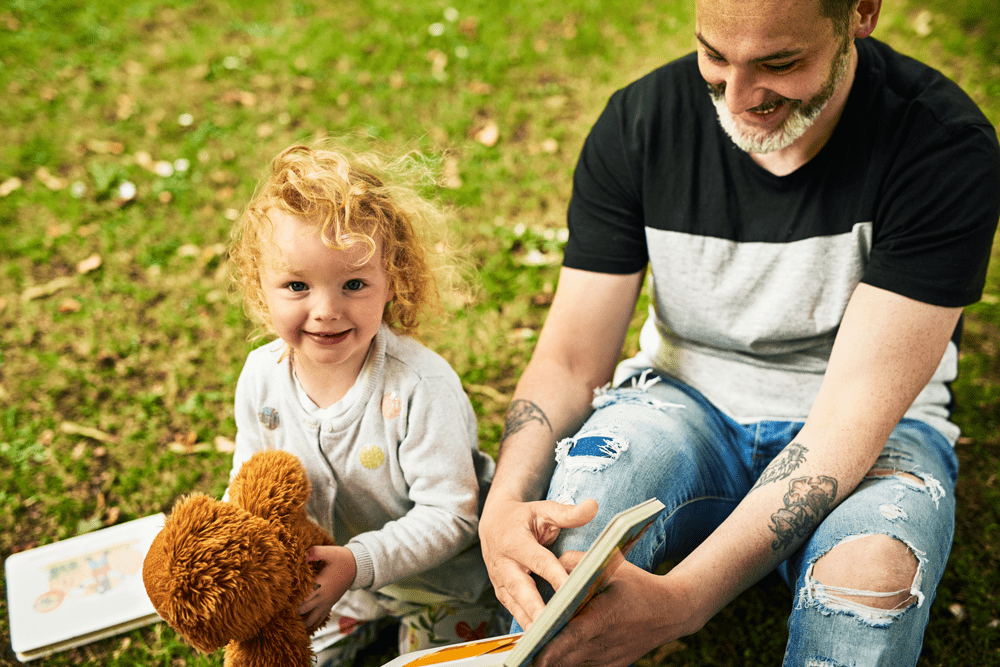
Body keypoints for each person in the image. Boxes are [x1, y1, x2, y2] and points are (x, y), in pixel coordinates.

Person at [478, 0, 1000, 665]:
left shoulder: (941, 144)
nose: (740, 96)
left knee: (870, 581)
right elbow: (572, 358)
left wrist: (685, 600)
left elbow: (850, 421)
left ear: (861, 13)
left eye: (780, 63)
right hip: (683, 400)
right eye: (715, 57)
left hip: (874, 429)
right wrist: (505, 501)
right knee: (567, 525)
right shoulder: (640, 122)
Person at [227, 142, 502, 664]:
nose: (326, 310)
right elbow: (250, 482)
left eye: (354, 284)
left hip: (441, 585)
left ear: (391, 283)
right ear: (261, 290)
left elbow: (453, 516)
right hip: (335, 589)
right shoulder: (262, 379)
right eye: (296, 286)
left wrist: (357, 562)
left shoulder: (420, 386)